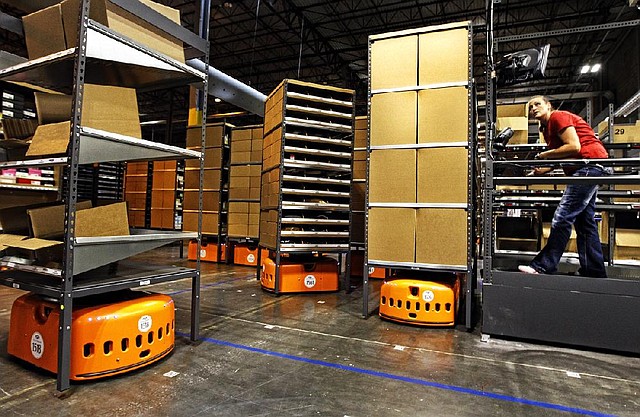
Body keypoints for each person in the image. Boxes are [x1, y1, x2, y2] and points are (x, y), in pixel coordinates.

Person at [518, 95, 611, 278]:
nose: (534, 108)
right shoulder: (546, 128)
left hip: (588, 166)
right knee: (585, 223)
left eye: (538, 104)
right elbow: (560, 156)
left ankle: (543, 266)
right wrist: (540, 171)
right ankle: (594, 271)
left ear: (549, 105)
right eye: (530, 107)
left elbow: (574, 147)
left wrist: (544, 155)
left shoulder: (558, 117)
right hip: (590, 167)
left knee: (562, 217)